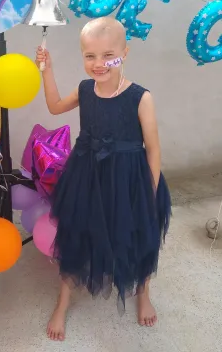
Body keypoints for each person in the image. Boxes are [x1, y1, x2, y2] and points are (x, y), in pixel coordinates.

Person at [35, 17, 171, 341]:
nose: (98, 64)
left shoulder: (141, 97)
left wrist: (149, 194)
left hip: (130, 181)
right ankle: (64, 300)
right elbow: (54, 107)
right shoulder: (85, 90)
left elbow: (153, 149)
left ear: (124, 52)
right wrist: (47, 70)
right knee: (76, 233)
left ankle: (143, 291)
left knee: (138, 237)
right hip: (87, 175)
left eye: (107, 54)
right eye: (89, 55)